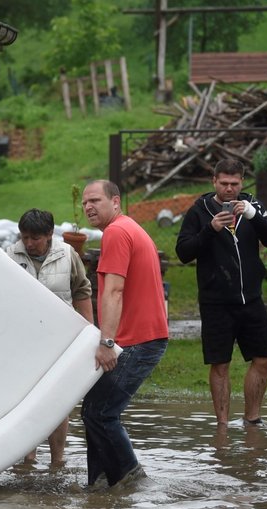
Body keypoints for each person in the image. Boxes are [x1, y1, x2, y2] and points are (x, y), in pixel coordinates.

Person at [175, 159, 267, 425]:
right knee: (220, 364)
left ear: (242, 182)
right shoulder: (200, 210)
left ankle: (252, 420)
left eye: (234, 184)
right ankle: (221, 425)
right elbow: (184, 252)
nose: (229, 189)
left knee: (265, 358)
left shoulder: (252, 205)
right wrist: (210, 230)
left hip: (251, 298)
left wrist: (252, 215)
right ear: (214, 182)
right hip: (216, 302)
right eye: (224, 183)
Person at [80, 180, 168, 489]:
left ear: (115, 201)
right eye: (84, 203)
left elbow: (113, 291)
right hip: (140, 337)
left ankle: (132, 480)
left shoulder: (117, 232)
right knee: (93, 409)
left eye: (95, 200)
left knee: (101, 412)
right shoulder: (128, 227)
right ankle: (99, 481)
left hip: (138, 340)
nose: (88, 206)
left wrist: (106, 343)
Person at [5, 208, 93, 466]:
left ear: (49, 235)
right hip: (24, 342)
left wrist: (90, 333)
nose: (29, 243)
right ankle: (27, 458)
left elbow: (81, 292)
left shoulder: (68, 255)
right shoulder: (10, 255)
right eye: (25, 237)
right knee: (25, 400)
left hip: (60, 342)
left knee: (59, 401)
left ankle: (57, 460)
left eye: (35, 238)